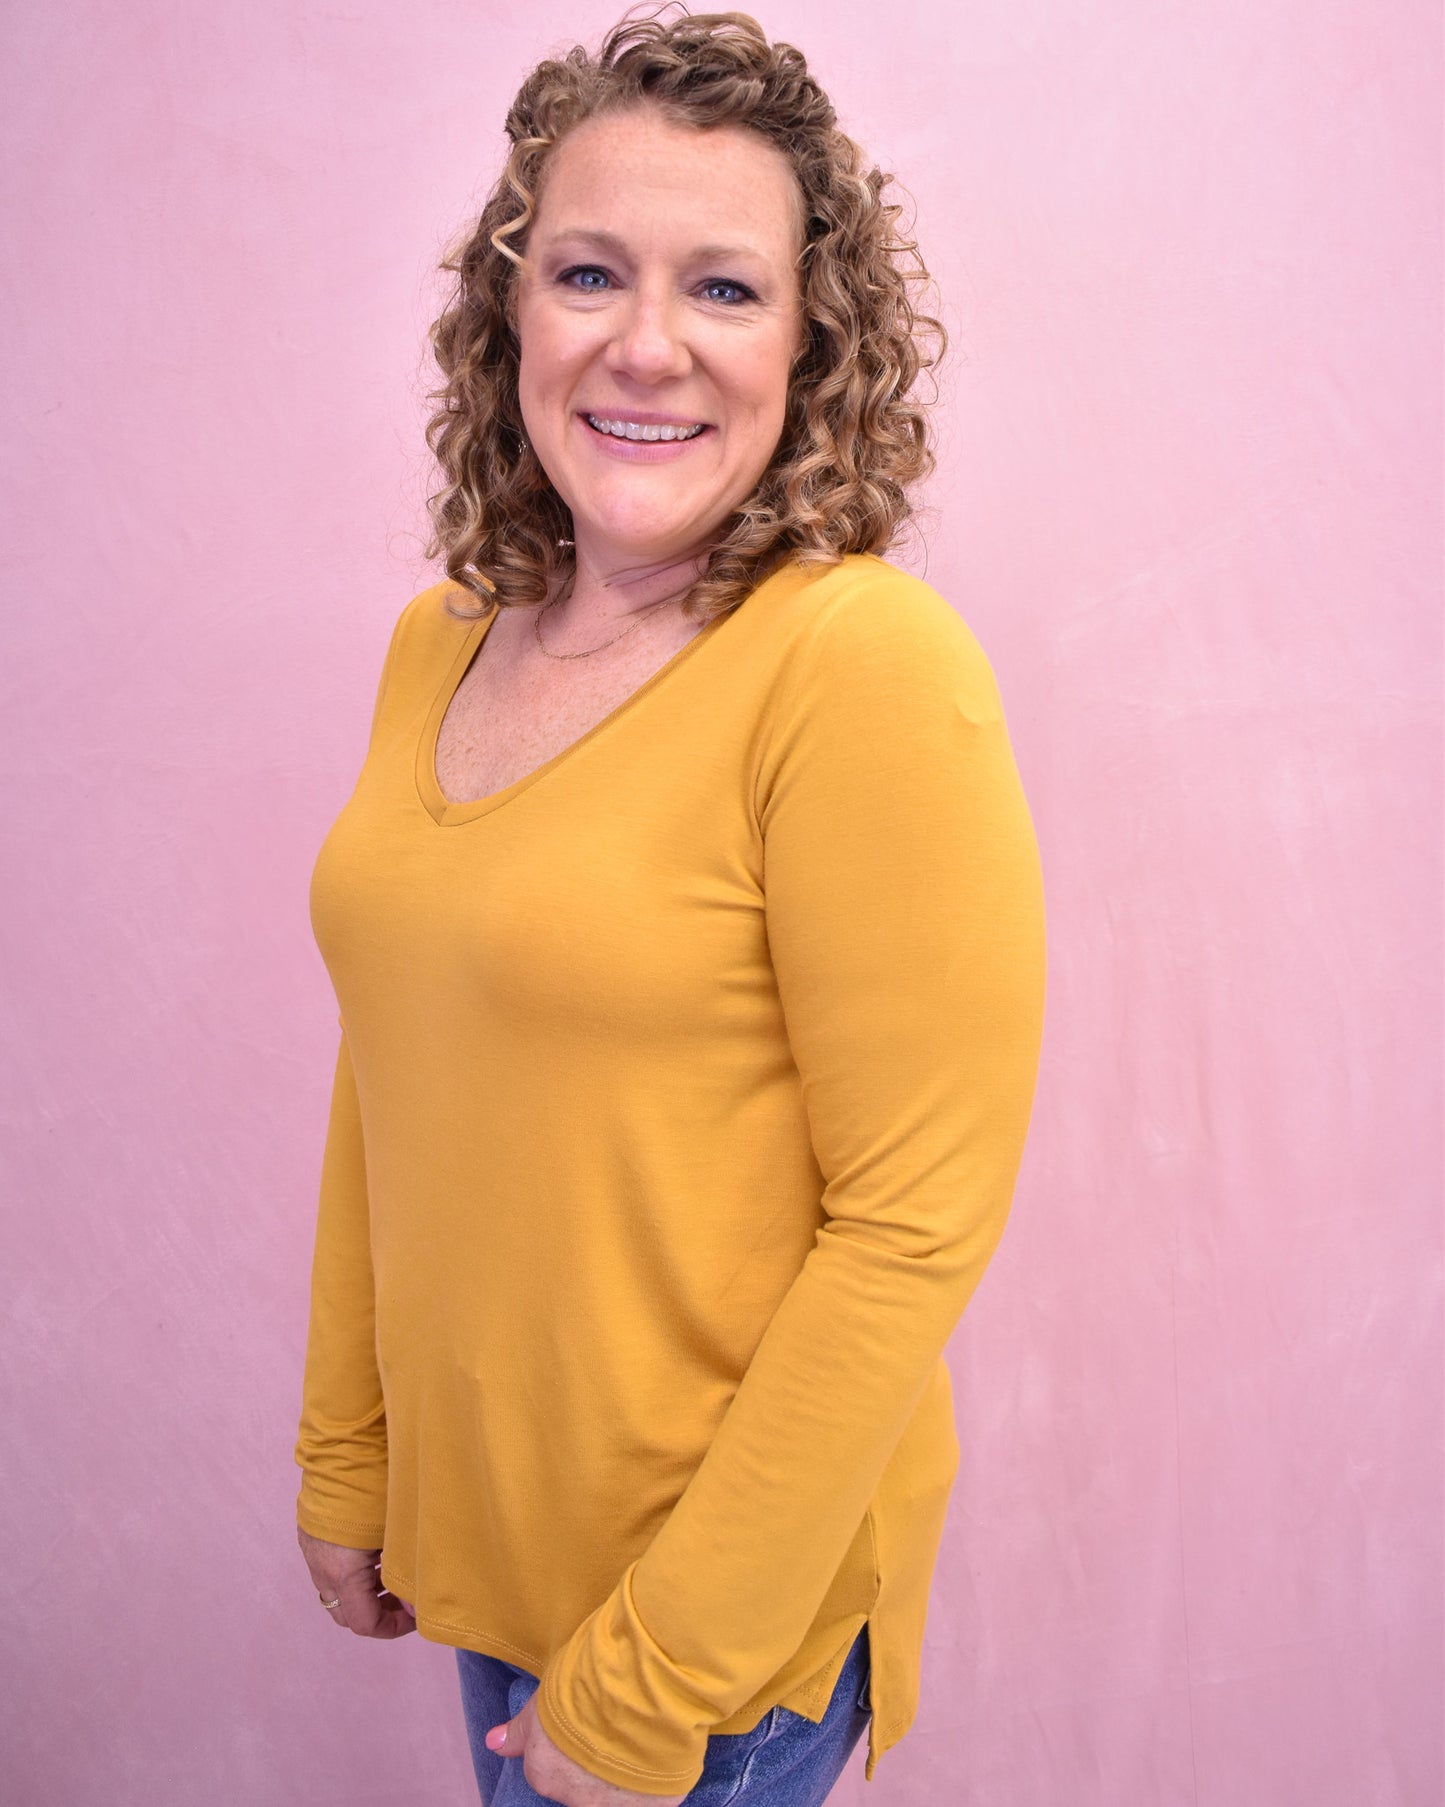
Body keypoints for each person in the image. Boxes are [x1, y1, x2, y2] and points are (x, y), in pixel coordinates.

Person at [292, 10, 1046, 1805]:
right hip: (492, 1566)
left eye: (722, 288)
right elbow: (391, 1065)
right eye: (586, 273)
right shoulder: (441, 642)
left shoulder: (856, 669)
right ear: (510, 316)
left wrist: (656, 1674)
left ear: (811, 340)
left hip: (711, 1639)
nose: (646, 345)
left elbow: (910, 1226)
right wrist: (349, 1457)